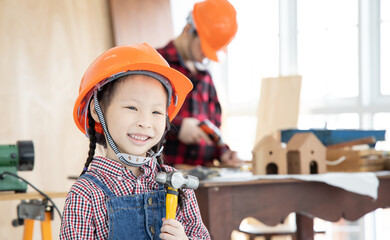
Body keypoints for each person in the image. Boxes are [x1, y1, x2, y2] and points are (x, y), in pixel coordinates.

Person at [60, 43, 211, 239]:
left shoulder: (177, 185)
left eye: (156, 112)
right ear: (97, 111)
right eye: (132, 108)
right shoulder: (86, 195)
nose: (145, 123)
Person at [158, 0, 243, 168]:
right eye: (204, 47)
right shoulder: (157, 64)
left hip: (200, 180)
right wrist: (178, 127)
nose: (205, 56)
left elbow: (213, 127)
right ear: (189, 30)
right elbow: (140, 117)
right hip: (164, 179)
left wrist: (223, 152)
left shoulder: (205, 78)